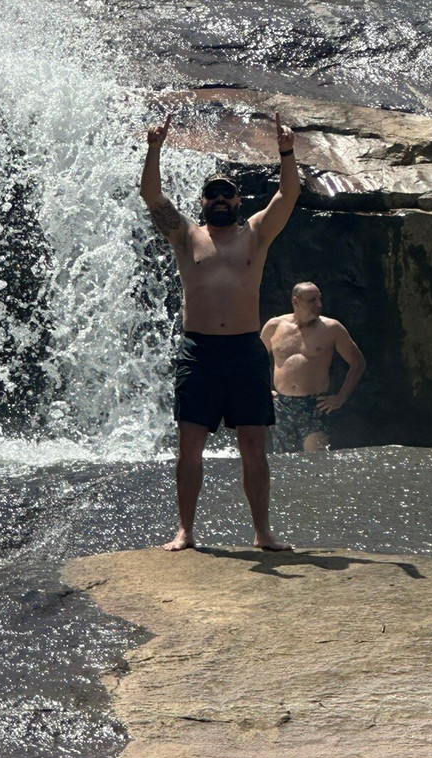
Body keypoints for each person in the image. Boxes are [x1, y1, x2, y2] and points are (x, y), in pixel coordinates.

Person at [140, 110, 300, 552]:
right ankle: (186, 531)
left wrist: (286, 151)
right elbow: (151, 196)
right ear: (203, 202)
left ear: (238, 201)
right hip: (200, 352)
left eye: (226, 195)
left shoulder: (256, 234)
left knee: (253, 445)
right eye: (212, 196)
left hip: (246, 352)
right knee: (189, 444)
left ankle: (263, 532)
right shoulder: (187, 235)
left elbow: (288, 195)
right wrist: (154, 148)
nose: (220, 201)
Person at [261, 282, 366, 452]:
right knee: (284, 463)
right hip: (281, 405)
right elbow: (255, 360)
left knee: (317, 461)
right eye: (312, 300)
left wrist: (341, 397)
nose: (319, 305)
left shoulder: (332, 328)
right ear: (296, 301)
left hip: (314, 405)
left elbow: (358, 363)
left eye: (319, 299)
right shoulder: (274, 326)